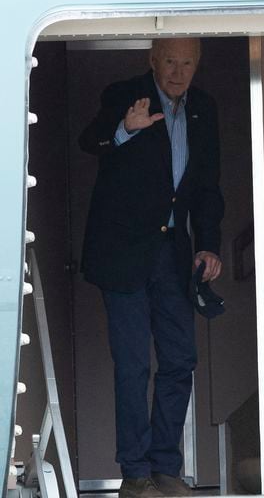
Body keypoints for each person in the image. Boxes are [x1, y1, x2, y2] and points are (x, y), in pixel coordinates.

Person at [79, 38, 224, 498]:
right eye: (169, 62)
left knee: (181, 359)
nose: (178, 72)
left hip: (174, 253)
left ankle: (166, 468)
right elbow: (91, 140)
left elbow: (207, 186)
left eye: (187, 63)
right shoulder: (125, 94)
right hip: (122, 253)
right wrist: (126, 128)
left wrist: (209, 245)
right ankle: (135, 474)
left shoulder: (203, 108)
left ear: (196, 65)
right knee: (133, 364)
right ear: (152, 61)